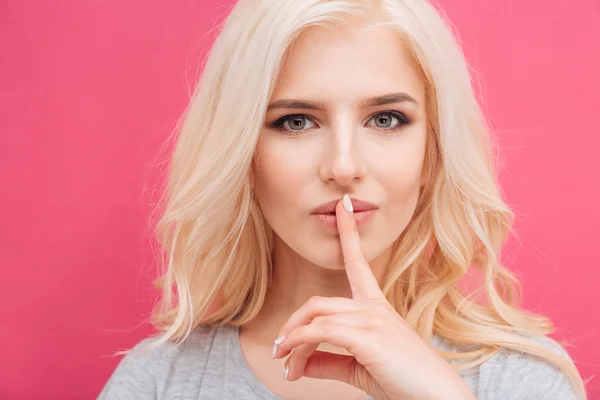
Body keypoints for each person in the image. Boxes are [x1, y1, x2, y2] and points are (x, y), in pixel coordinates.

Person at [98, 0, 589, 399]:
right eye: (295, 121)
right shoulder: (158, 382)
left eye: (386, 119)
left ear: (433, 151)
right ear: (243, 153)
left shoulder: (521, 380)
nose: (343, 166)